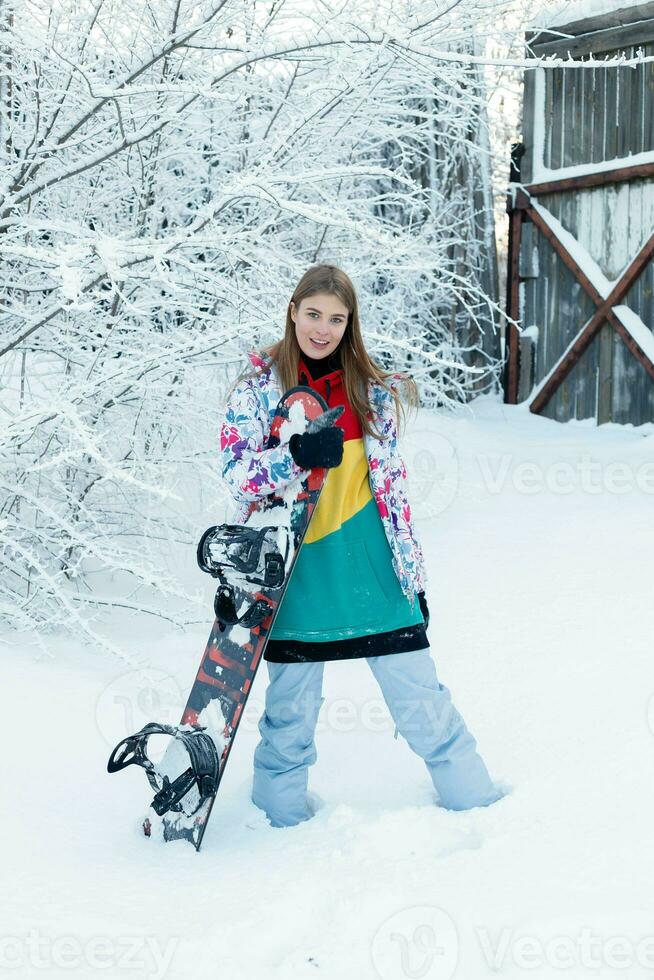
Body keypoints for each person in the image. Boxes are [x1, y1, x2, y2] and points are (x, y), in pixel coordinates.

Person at [219, 263, 504, 828]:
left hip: (373, 572)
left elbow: (392, 495)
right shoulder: (257, 391)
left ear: (350, 325)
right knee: (289, 719)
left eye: (336, 319)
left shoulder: (369, 393)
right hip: (297, 579)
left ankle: (482, 816)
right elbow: (236, 473)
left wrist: (412, 579)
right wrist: (293, 456)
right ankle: (273, 837)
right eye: (313, 314)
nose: (322, 329)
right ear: (293, 313)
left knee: (423, 704)